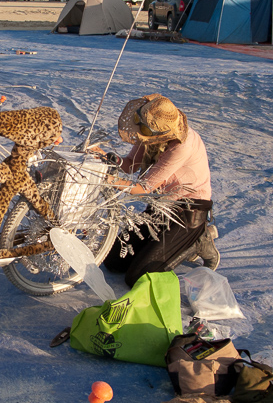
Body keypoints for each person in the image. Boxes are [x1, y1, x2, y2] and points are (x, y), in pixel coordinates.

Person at [91, 94, 219, 288]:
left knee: (138, 277)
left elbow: (144, 189)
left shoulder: (181, 147)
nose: (139, 130)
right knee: (113, 261)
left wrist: (109, 179)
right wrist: (107, 158)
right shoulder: (150, 130)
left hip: (188, 210)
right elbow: (130, 165)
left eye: (142, 127)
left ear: (160, 133)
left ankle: (199, 239)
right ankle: (178, 241)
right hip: (162, 205)